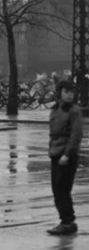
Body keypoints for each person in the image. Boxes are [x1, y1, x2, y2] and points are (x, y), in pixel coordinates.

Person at [46, 80, 83, 236]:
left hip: (66, 156)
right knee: (57, 190)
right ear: (60, 93)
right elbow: (52, 133)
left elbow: (76, 135)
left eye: (71, 92)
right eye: (66, 91)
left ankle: (67, 221)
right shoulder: (55, 109)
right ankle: (66, 220)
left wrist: (67, 155)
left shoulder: (74, 111)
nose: (70, 95)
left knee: (62, 190)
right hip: (56, 154)